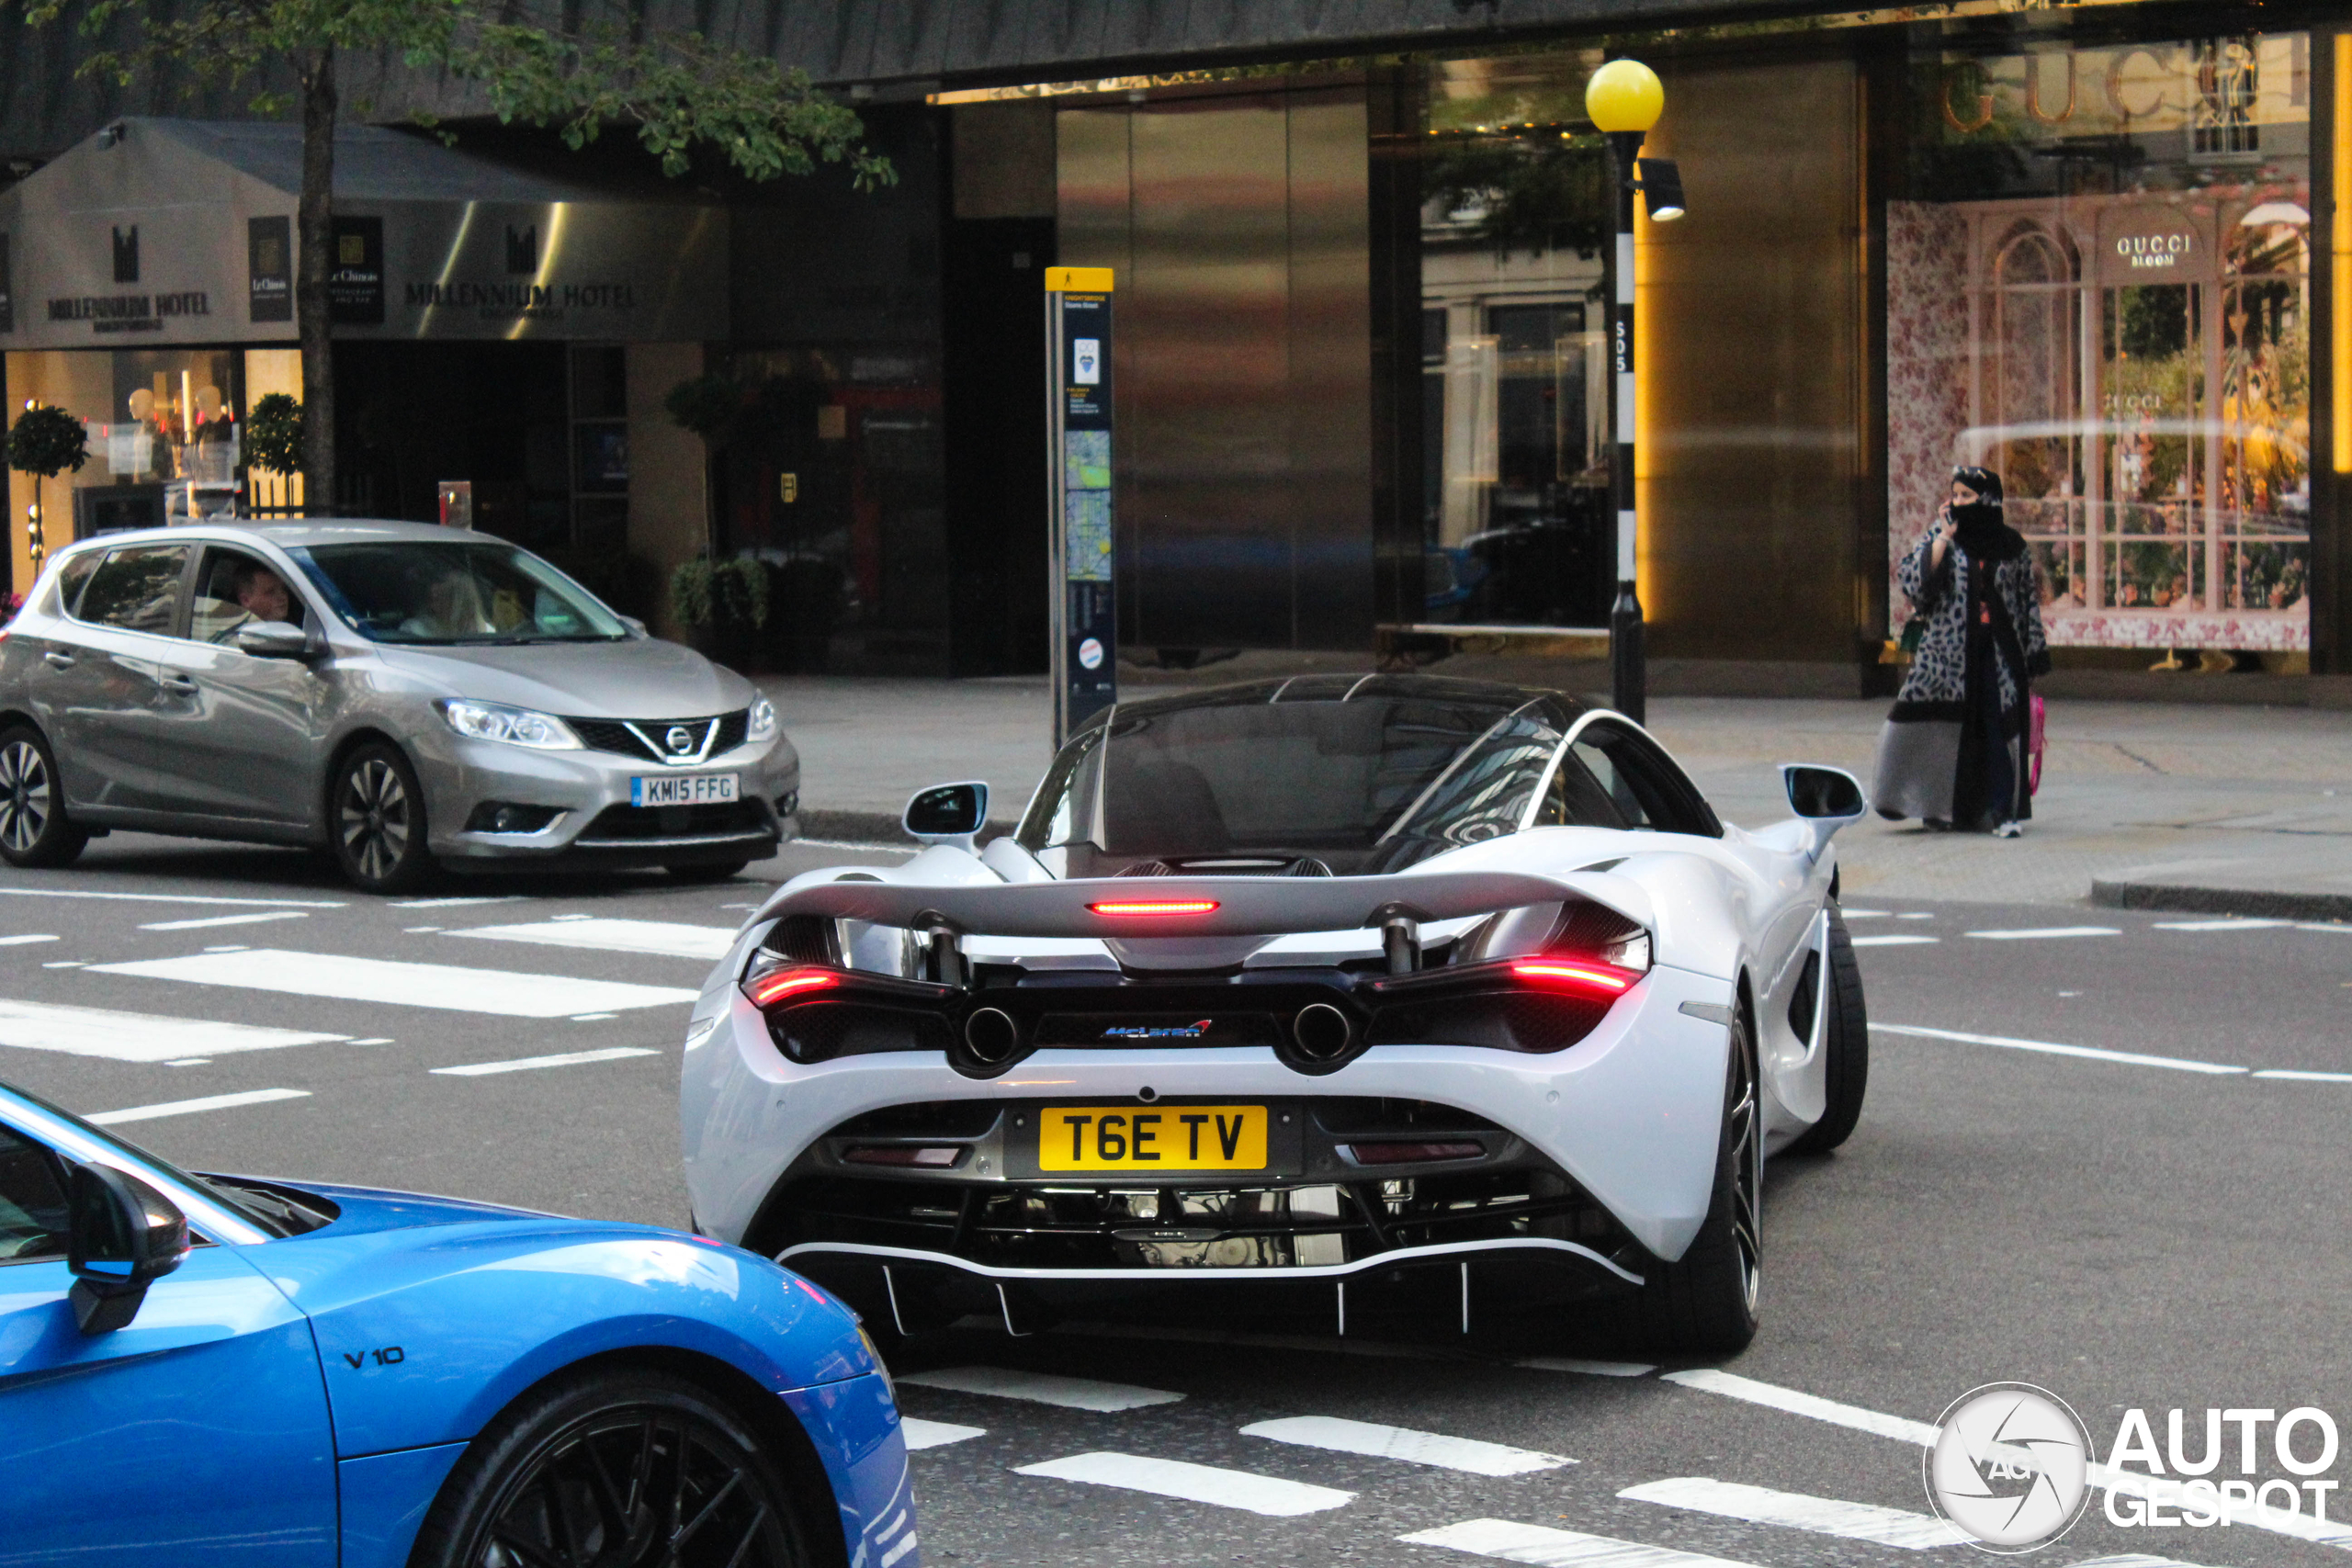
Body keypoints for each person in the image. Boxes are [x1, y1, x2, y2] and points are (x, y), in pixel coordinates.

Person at [1871, 467, 2051, 837]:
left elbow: (2026, 602)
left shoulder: (2012, 546)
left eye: (1967, 496)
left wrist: (2032, 656)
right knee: (1929, 728)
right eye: (1955, 495)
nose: (1958, 502)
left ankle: (2003, 814)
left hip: (1998, 658)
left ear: (1988, 499)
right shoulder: (1945, 539)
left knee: (1997, 731)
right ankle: (1928, 805)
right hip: (1946, 659)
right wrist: (1941, 539)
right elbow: (1913, 583)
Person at [209, 562, 296, 643]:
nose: (282, 597)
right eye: (270, 592)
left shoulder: (298, 623)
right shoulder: (234, 640)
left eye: (283, 589)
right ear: (245, 600)